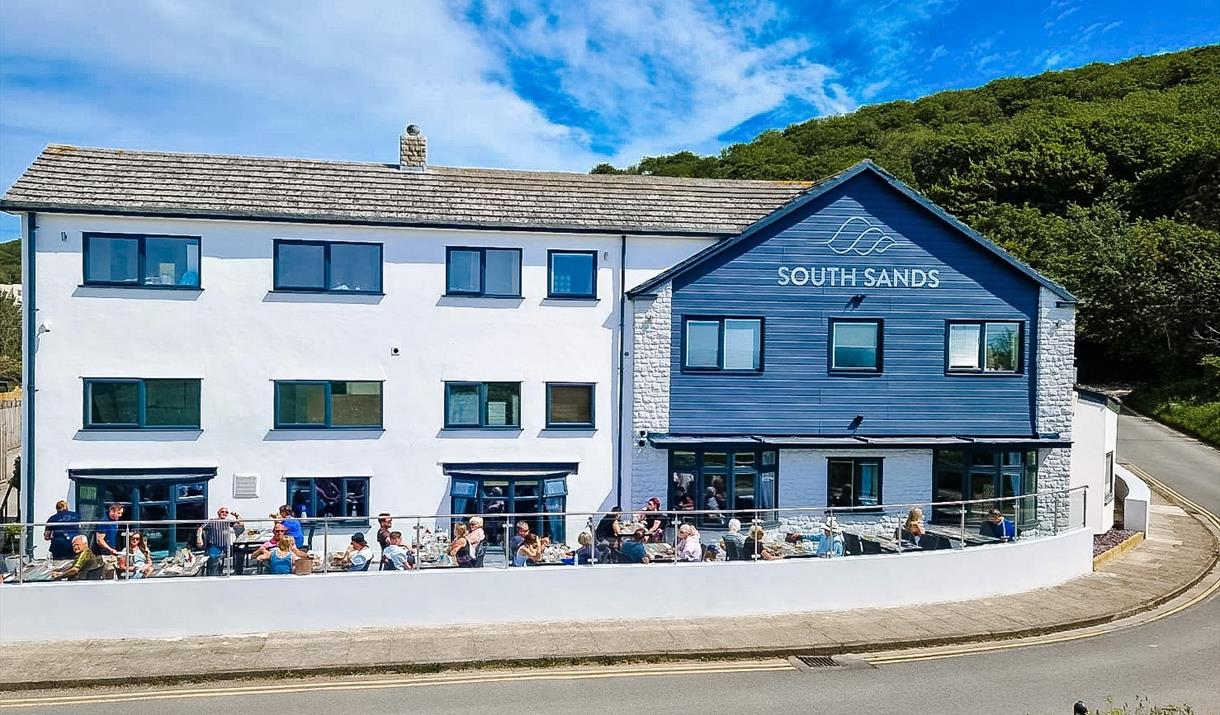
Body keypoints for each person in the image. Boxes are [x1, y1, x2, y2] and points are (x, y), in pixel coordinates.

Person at [196, 505, 244, 576]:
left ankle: (238, 574)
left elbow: (241, 524)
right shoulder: (212, 521)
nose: (224, 513)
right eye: (222, 511)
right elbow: (200, 529)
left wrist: (237, 515)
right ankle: (214, 577)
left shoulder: (228, 522)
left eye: (226, 512)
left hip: (226, 547)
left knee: (240, 552)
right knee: (213, 557)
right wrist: (199, 538)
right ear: (218, 513)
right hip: (215, 546)